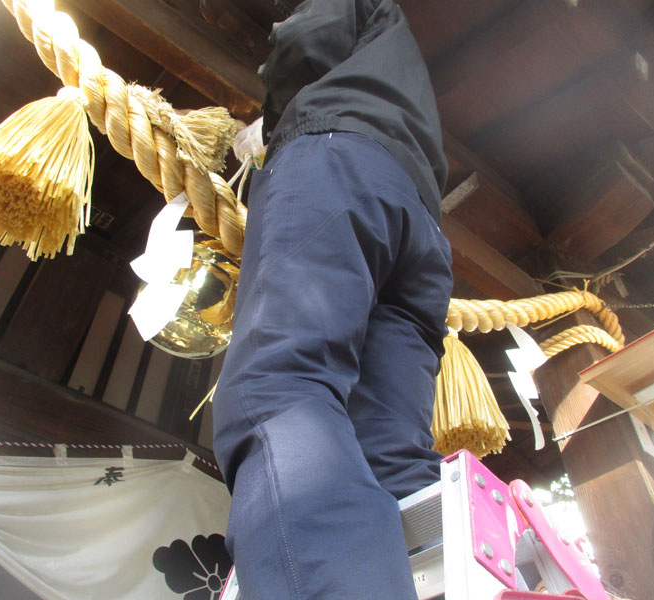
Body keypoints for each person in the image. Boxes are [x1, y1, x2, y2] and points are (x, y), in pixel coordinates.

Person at [212, 0, 453, 598]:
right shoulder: (406, 79)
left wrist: (273, 124)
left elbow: (306, 39)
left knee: (280, 386)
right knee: (391, 453)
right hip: (422, 227)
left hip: (338, 162)